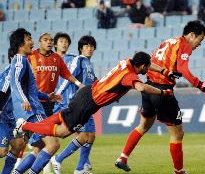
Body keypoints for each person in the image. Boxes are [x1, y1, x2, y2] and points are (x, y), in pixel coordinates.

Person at [114, 20, 205, 174]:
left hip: (148, 87)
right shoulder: (184, 45)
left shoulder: (167, 42)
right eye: (199, 41)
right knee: (177, 134)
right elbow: (183, 70)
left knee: (143, 125)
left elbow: (150, 63)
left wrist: (166, 72)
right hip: (162, 92)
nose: (198, 45)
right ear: (192, 35)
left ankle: (123, 158)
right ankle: (179, 173)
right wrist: (199, 84)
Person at [13, 52, 180, 140]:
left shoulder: (126, 62)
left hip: (88, 93)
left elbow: (147, 66)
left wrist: (164, 71)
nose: (148, 69)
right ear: (141, 66)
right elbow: (142, 87)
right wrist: (162, 92)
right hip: (89, 102)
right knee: (63, 132)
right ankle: (25, 126)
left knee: (62, 116)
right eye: (147, 67)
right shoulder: (130, 76)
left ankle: (27, 127)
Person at [3, 28, 61, 174]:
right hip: (32, 112)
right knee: (53, 143)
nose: (32, 42)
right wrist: (23, 100)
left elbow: (31, 90)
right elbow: (14, 81)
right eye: (29, 39)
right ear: (21, 44)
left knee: (39, 146)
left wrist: (46, 97)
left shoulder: (23, 60)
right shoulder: (21, 59)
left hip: (30, 110)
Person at [27, 32, 84, 174]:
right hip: (33, 103)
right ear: (40, 42)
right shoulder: (31, 57)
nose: (49, 42)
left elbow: (66, 74)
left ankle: (40, 171)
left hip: (49, 103)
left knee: (40, 143)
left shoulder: (56, 58)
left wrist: (79, 84)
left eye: (51, 40)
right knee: (44, 141)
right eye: (45, 40)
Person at [51, 34, 97, 174]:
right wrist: (57, 93)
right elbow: (68, 77)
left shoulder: (90, 64)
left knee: (91, 135)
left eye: (91, 46)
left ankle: (80, 168)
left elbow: (94, 82)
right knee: (83, 136)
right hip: (78, 103)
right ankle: (57, 159)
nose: (89, 49)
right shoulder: (79, 60)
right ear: (80, 49)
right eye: (86, 46)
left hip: (88, 103)